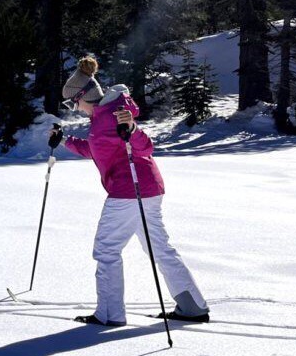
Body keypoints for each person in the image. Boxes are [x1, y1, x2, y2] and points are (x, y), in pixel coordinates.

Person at [54, 57, 210, 326]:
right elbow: (97, 150)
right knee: (158, 247)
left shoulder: (114, 116)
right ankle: (192, 305)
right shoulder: (104, 115)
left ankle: (109, 314)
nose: (74, 109)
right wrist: (65, 141)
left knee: (106, 249)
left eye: (73, 102)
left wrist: (134, 130)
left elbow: (145, 147)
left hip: (129, 190)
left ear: (83, 96)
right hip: (147, 188)